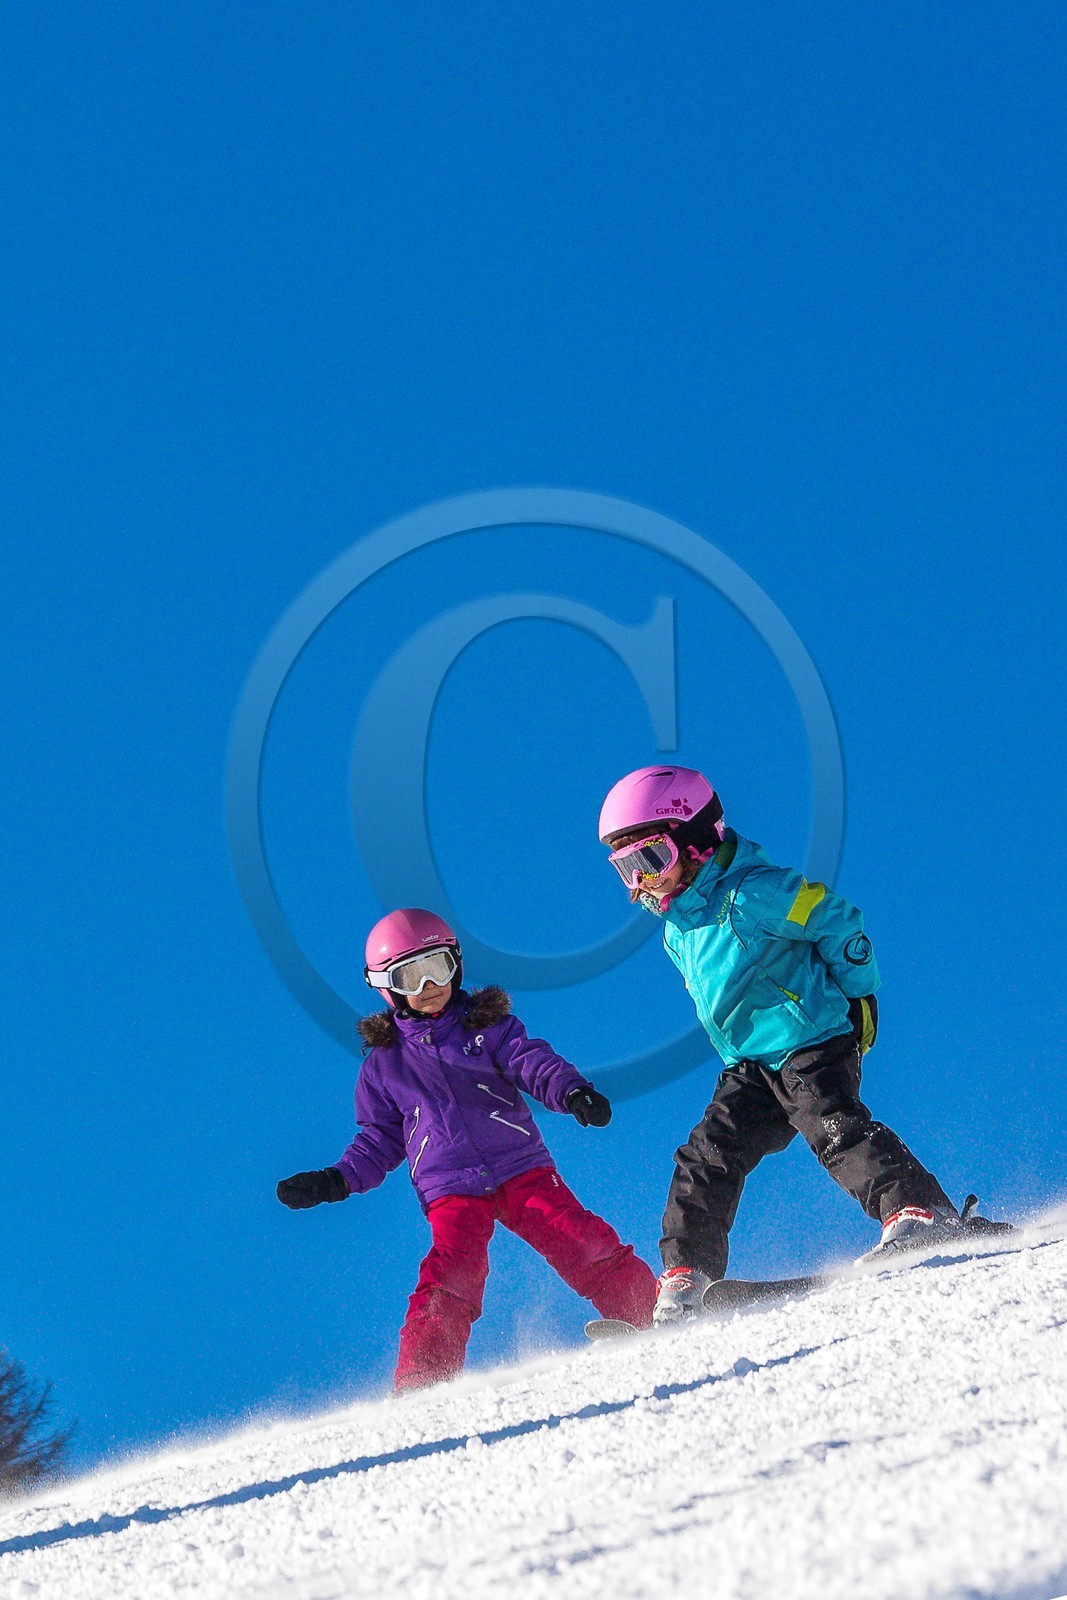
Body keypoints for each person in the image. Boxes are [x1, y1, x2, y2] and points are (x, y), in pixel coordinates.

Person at [598, 764, 1007, 1325]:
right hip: (750, 1065)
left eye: (649, 860)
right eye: (625, 869)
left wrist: (860, 996)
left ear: (694, 843)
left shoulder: (756, 892)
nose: (640, 881)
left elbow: (838, 921)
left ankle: (919, 1210)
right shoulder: (678, 927)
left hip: (811, 1040)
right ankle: (687, 1278)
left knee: (831, 1125)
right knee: (705, 1158)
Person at [277, 907, 657, 1387]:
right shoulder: (384, 1066)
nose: (429, 985)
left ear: (455, 964)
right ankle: (423, 1378)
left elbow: (531, 1063)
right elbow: (379, 1138)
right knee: (452, 1271)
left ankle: (644, 1312)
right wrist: (337, 1180)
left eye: (437, 967)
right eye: (410, 976)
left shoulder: (488, 1028)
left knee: (577, 1236)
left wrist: (571, 1092)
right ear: (387, 988)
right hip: (450, 1188)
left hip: (520, 1167)